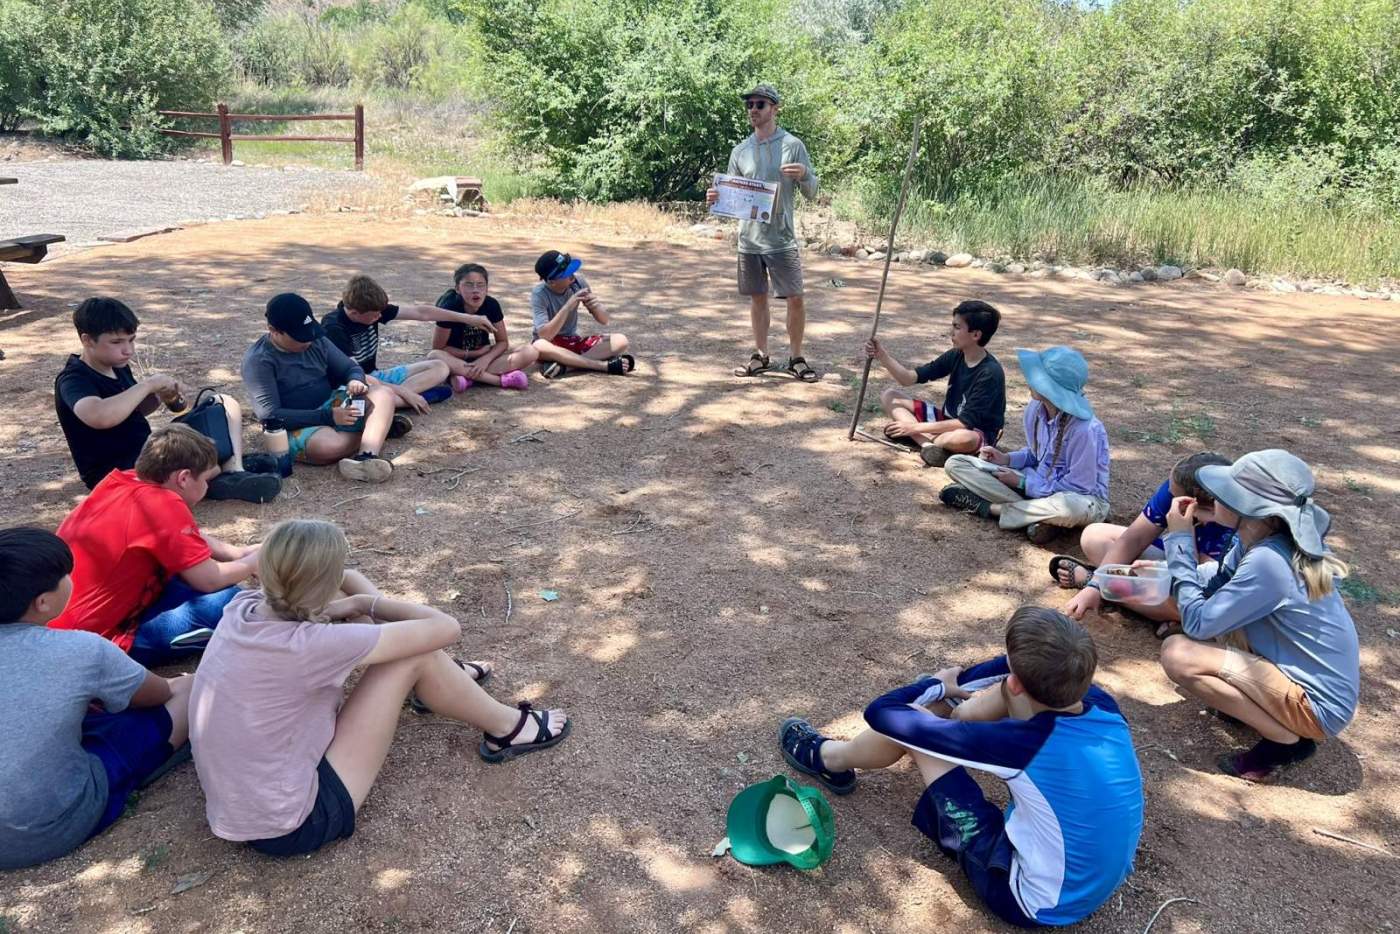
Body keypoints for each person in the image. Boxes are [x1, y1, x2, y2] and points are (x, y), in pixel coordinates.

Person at [190, 519, 572, 856]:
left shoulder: (241, 608)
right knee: (415, 655)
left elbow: (327, 583)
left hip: (243, 804)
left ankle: (442, 681)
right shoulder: (310, 645)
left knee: (409, 646)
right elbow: (445, 628)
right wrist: (363, 602)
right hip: (293, 822)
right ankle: (508, 728)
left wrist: (343, 599)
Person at [778, 607, 1142, 928]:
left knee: (918, 725)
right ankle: (954, 714)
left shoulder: (1022, 746)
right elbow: (1007, 672)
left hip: (1029, 902)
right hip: (1091, 883)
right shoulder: (1100, 703)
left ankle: (828, 759)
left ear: (1018, 677)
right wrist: (953, 692)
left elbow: (882, 712)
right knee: (959, 706)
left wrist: (933, 686)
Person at [1158, 450, 1359, 782]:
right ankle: (1258, 712)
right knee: (1216, 629)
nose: (1214, 498)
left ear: (1248, 508)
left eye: (1226, 494)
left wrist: (1180, 539)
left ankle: (1286, 743)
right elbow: (1219, 582)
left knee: (1178, 654)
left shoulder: (1268, 562)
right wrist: (1159, 569)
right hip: (1297, 680)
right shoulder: (1260, 541)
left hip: (1316, 706)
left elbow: (1196, 622)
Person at [0, 527, 194, 870]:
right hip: (42, 827)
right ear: (42, 602)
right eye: (65, 575)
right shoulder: (80, 649)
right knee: (188, 693)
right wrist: (182, 682)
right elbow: (156, 694)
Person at [50, 425, 261, 667]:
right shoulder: (163, 504)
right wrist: (255, 560)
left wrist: (236, 554)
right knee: (233, 604)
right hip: (91, 643)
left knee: (193, 580)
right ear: (183, 478)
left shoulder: (125, 480)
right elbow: (209, 579)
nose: (207, 487)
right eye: (204, 479)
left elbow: (180, 538)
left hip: (61, 625)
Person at [54, 297, 280, 502]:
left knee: (222, 404)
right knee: (205, 460)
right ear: (88, 340)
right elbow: (99, 416)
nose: (128, 350)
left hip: (147, 453)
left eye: (131, 341)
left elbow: (134, 411)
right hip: (118, 475)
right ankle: (221, 473)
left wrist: (161, 396)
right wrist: (147, 385)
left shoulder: (116, 366)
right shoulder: (74, 379)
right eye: (117, 342)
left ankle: (229, 468)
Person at [705, 84, 820, 382]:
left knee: (795, 298)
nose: (753, 110)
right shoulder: (740, 151)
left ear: (774, 109)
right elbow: (730, 197)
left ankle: (796, 358)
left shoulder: (793, 145)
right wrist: (715, 200)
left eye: (759, 104)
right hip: (749, 241)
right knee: (758, 298)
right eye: (749, 105)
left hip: (781, 238)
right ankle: (761, 355)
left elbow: (813, 192)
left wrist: (806, 175)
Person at [940, 347, 1110, 546]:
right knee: (956, 463)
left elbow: (1080, 487)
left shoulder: (1085, 430)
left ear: (1051, 388)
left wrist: (1022, 484)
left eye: (1037, 377)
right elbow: (1036, 454)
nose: (1030, 380)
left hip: (1079, 499)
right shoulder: (1035, 409)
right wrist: (1007, 459)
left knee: (1070, 508)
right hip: (1034, 484)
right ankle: (1039, 519)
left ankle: (991, 508)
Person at [1057, 451, 1232, 634]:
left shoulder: (1227, 518)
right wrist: (1095, 586)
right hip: (1180, 563)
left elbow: (1204, 582)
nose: (1168, 497)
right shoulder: (1176, 489)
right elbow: (1135, 538)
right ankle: (1104, 584)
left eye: (1173, 496)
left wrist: (1179, 540)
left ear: (1195, 503)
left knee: (1194, 603)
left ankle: (1106, 585)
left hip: (1205, 581)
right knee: (1094, 537)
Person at [242, 292, 405, 484]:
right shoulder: (259, 361)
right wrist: (329, 416)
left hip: (332, 404)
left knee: (383, 393)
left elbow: (350, 367)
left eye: (309, 333)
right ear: (274, 330)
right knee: (327, 447)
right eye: (299, 337)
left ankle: (366, 458)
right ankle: (376, 428)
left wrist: (355, 380)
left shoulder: (315, 339)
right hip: (296, 424)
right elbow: (270, 415)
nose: (308, 341)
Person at [321, 274, 498, 408]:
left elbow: (422, 313)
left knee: (439, 366)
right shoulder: (334, 328)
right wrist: (404, 391)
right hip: (352, 385)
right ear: (354, 313)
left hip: (376, 377)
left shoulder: (372, 308)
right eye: (375, 316)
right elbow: (355, 377)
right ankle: (402, 401)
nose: (380, 317)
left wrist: (469, 318)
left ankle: (395, 403)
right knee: (363, 398)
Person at [865, 300, 1005, 468]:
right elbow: (908, 378)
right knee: (890, 396)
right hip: (947, 421)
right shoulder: (955, 355)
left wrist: (912, 429)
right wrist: (882, 355)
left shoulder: (990, 373)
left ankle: (922, 439)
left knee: (964, 438)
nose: (951, 332)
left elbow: (964, 424)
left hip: (973, 432)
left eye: (957, 327)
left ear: (976, 335)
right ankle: (929, 447)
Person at [427, 263, 537, 390]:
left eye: (480, 285)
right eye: (469, 285)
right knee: (434, 355)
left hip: (483, 361)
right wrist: (474, 353)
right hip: (456, 359)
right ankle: (498, 381)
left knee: (531, 352)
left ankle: (467, 378)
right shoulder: (449, 307)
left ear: (487, 288)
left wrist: (485, 359)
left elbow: (502, 342)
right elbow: (439, 348)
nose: (475, 290)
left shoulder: (491, 305)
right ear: (457, 288)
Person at [529, 250, 634, 378]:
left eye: (571, 270)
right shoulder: (539, 294)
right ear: (551, 281)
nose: (572, 276)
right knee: (539, 346)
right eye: (566, 274)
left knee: (621, 340)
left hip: (572, 342)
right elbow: (544, 336)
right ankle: (602, 366)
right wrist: (567, 306)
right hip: (551, 345)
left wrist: (596, 306)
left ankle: (567, 366)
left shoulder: (578, 282)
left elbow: (604, 320)